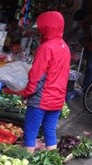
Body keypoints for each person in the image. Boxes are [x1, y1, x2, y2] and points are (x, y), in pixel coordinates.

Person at [21, 11, 70, 154]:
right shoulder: (65, 47)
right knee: (49, 131)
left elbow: (36, 76)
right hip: (58, 98)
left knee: (30, 133)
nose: (40, 30)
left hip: (41, 99)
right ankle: (52, 162)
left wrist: (26, 93)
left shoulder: (46, 47)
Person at [74, 3, 92, 90]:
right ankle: (86, 86)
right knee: (87, 66)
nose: (79, 24)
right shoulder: (84, 23)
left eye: (80, 21)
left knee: (90, 67)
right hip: (89, 47)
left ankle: (86, 88)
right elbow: (76, 30)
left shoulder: (89, 23)